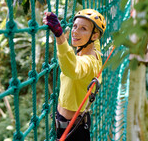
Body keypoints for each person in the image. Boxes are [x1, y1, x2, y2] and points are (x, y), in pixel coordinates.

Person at [42, 9, 106, 141]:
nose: (75, 32)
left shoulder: (88, 63)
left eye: (83, 29)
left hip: (73, 132)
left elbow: (73, 69)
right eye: (75, 26)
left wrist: (60, 36)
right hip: (71, 126)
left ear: (94, 36)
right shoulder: (94, 49)